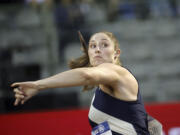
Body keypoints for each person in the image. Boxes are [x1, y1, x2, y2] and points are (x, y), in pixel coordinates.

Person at [12, 31, 162, 135]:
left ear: (116, 53)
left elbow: (85, 75)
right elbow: (152, 123)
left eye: (104, 45)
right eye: (93, 46)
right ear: (89, 53)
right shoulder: (103, 87)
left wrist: (38, 85)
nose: (97, 49)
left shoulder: (119, 73)